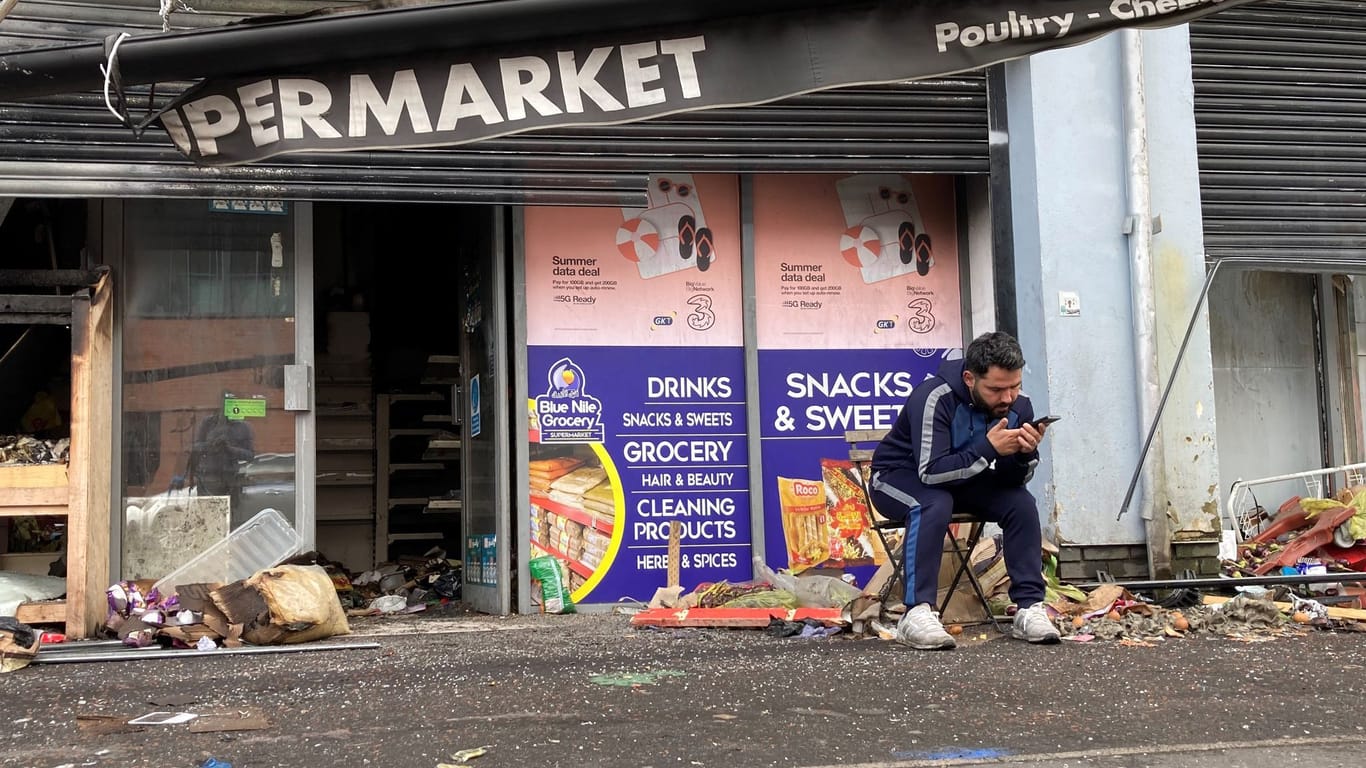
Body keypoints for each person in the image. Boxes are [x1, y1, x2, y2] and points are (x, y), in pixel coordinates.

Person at [870, 331, 1059, 649]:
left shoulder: (1018, 406)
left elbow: (1013, 480)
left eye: (1014, 386)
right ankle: (917, 612)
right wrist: (988, 449)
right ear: (970, 378)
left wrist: (1026, 453)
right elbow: (930, 472)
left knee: (1021, 503)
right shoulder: (934, 397)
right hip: (897, 478)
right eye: (997, 389)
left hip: (961, 479)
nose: (1008, 398)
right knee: (934, 502)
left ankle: (1029, 608)